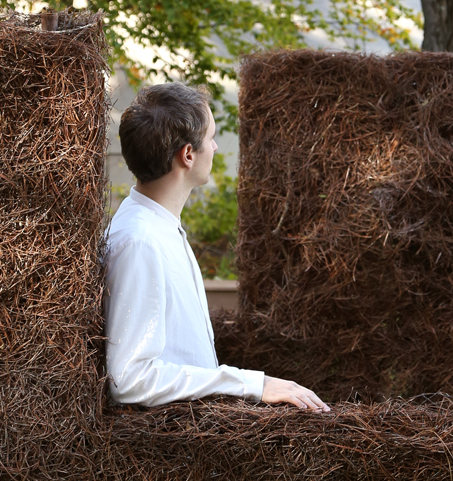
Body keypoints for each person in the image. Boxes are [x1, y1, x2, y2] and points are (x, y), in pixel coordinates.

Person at [105, 82, 329, 412]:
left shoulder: (157, 227)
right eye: (211, 138)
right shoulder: (141, 242)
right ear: (188, 155)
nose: (216, 147)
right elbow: (130, 378)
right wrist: (253, 385)